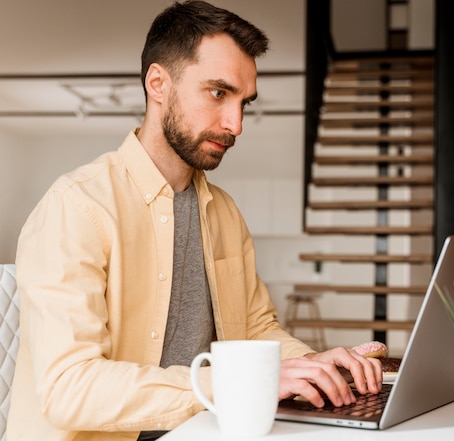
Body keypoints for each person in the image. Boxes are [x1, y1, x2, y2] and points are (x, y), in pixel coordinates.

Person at [7, 2, 382, 440]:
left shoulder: (224, 213)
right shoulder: (76, 207)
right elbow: (69, 388)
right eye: (219, 93)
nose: (236, 124)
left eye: (244, 102)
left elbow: (254, 328)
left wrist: (314, 364)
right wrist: (228, 386)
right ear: (158, 83)